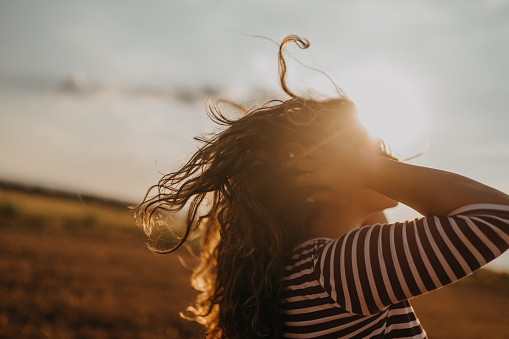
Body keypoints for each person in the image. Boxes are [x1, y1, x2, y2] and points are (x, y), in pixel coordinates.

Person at [135, 35, 509, 338]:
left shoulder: (306, 269)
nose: (387, 158)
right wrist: (371, 173)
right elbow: (498, 215)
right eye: (372, 150)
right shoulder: (338, 271)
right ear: (322, 172)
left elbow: (373, 226)